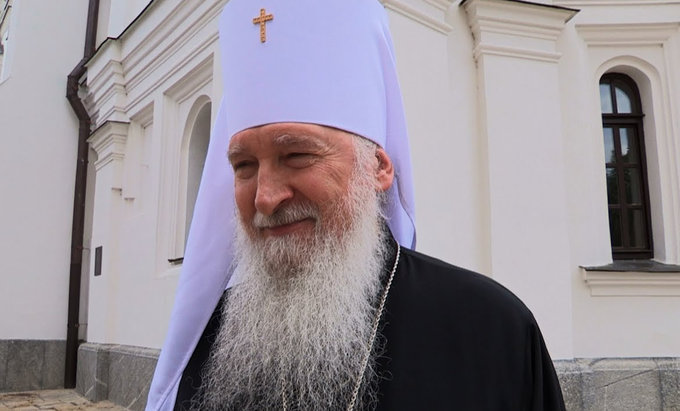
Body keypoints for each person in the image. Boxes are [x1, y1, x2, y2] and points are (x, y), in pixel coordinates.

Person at [146, 0, 566, 410]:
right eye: (243, 165)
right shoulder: (214, 344)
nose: (265, 197)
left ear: (380, 168)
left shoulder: (493, 331)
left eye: (297, 156)